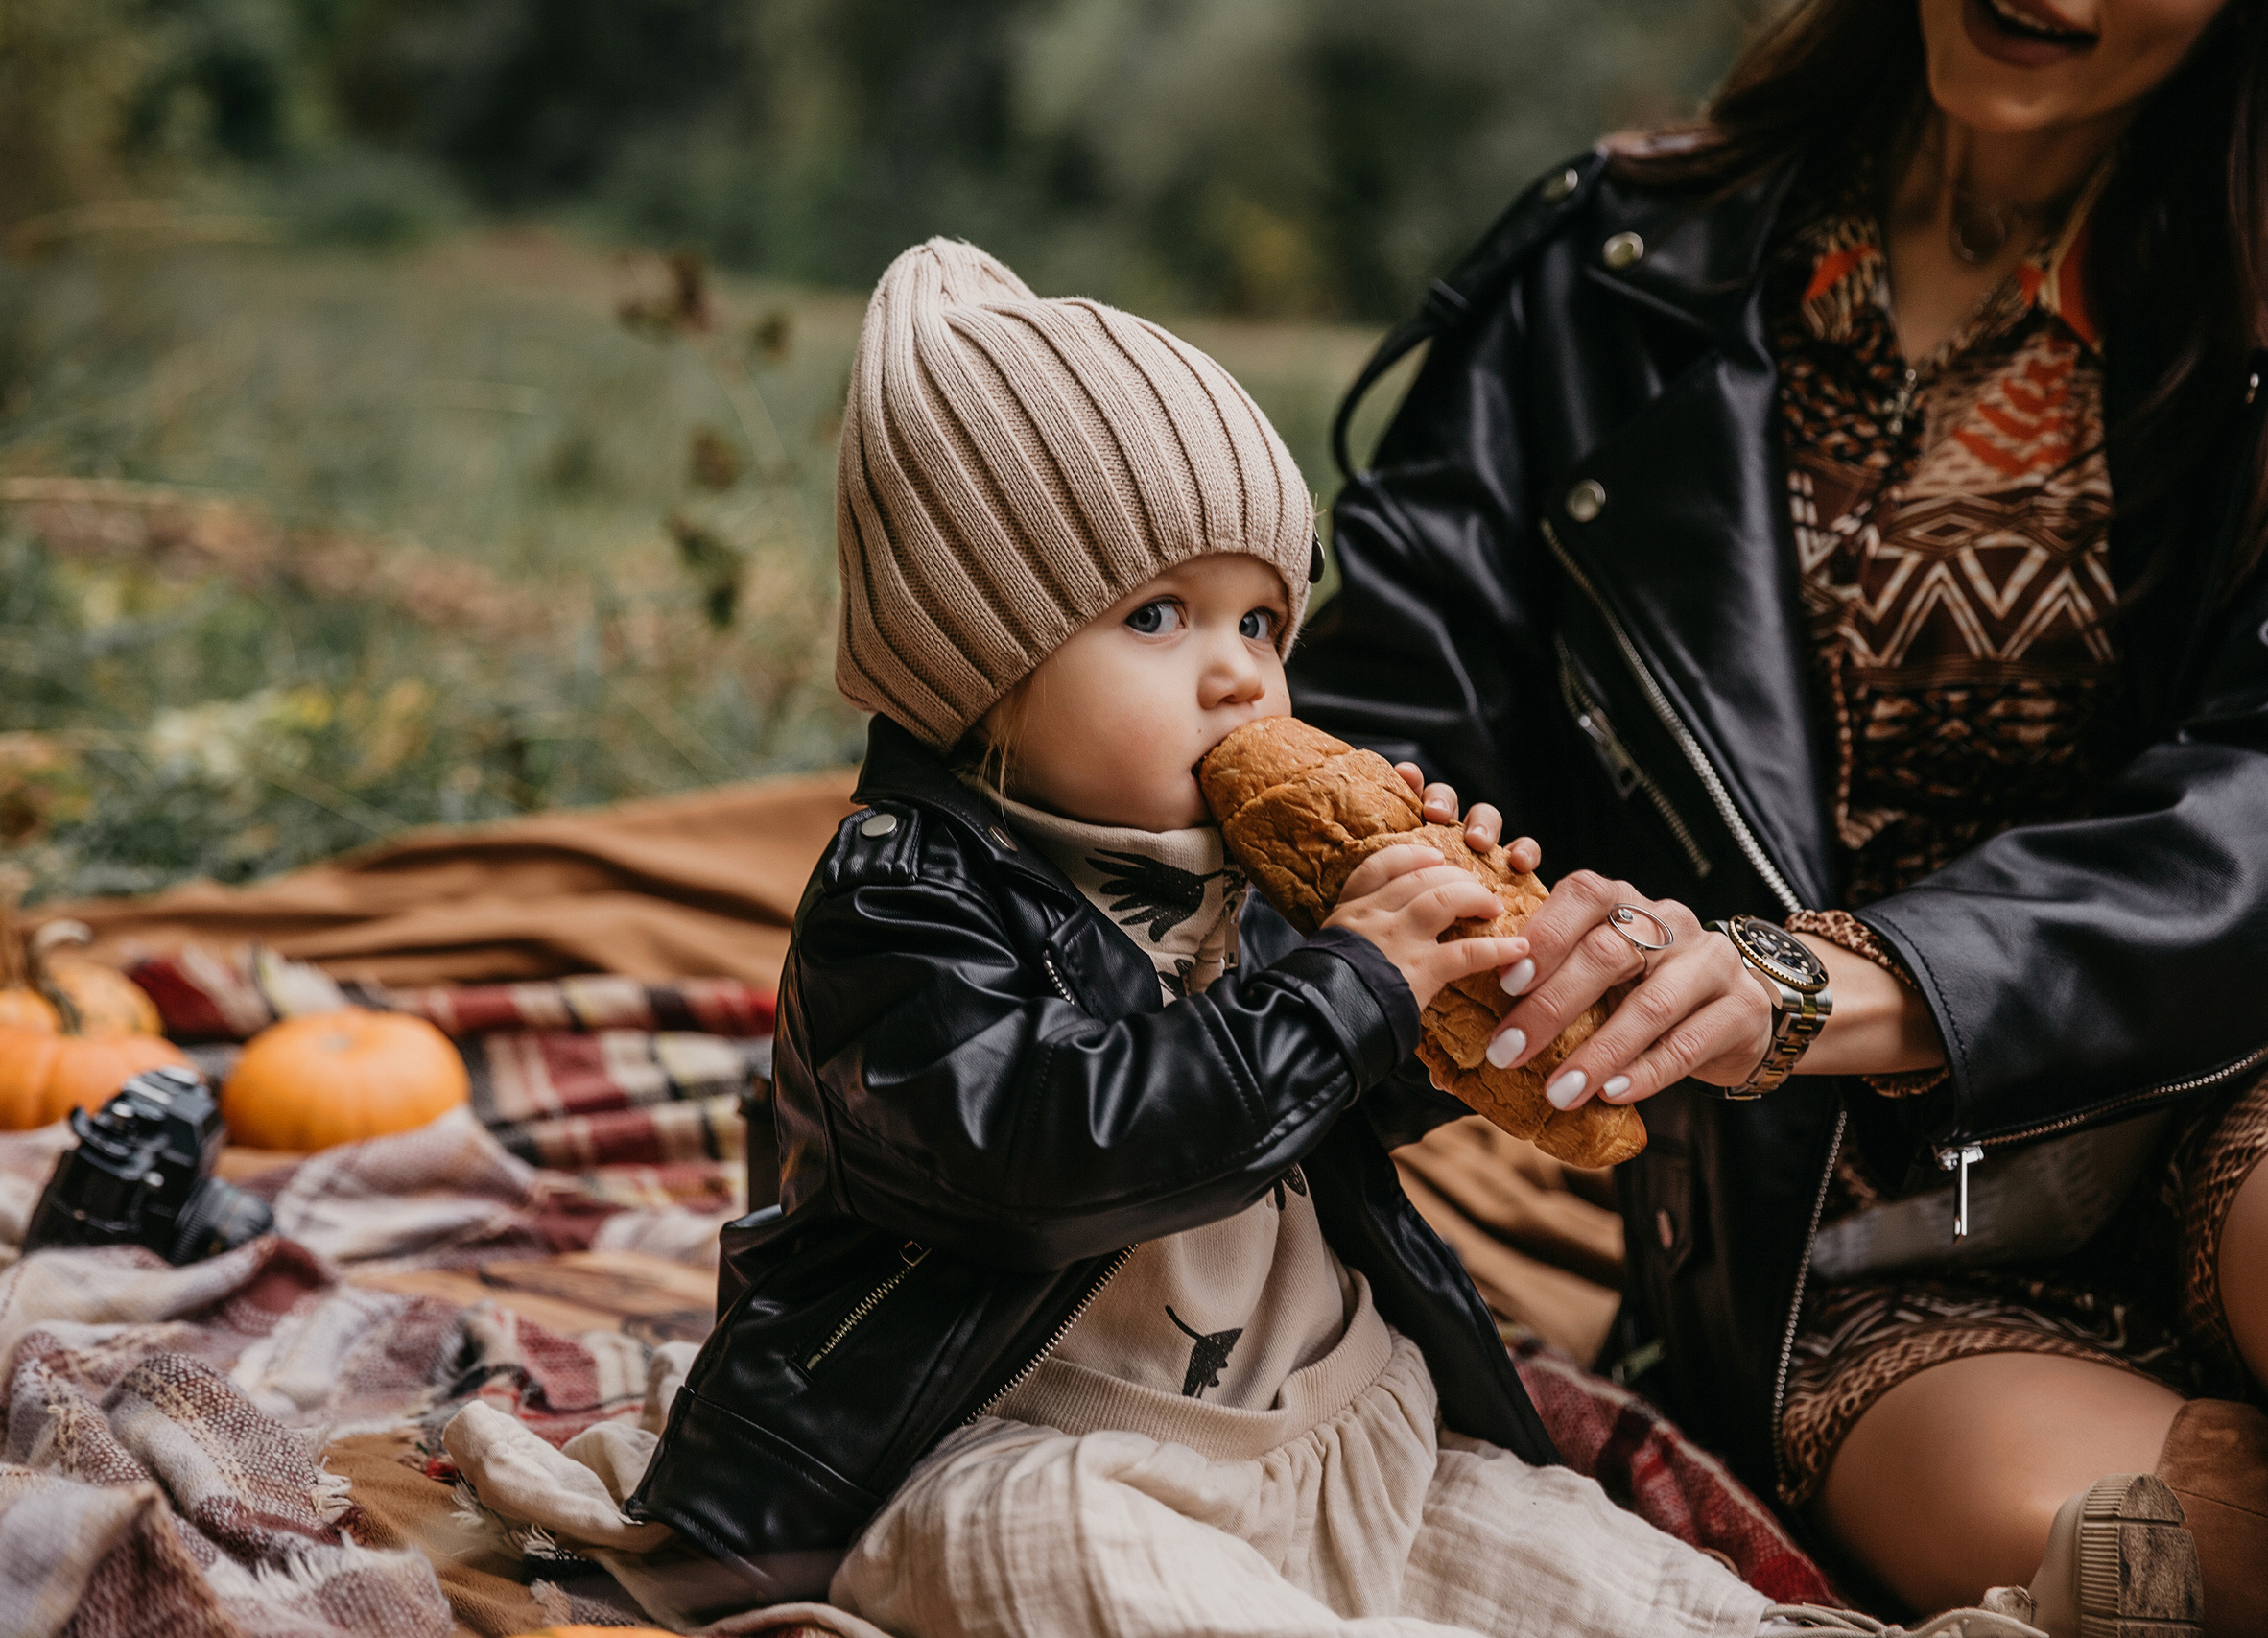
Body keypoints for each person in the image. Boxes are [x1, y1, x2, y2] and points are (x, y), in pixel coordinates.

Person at [618, 238, 2061, 1638]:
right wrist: (1349, 984)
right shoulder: (903, 905)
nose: (1241, 672)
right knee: (1033, 1559)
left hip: (1327, 1426)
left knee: (1572, 1559)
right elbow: (1042, 1152)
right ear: (978, 668)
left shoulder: (1262, 875)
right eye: (1162, 615)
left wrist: (1473, 994)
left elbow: (1329, 1099)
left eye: (1265, 620)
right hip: (1011, 1440)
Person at [1288, 0, 2268, 1629]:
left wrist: (1823, 978)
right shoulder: (1604, 273)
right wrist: (1499, 950)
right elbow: (1379, 753)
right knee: (2125, 1558)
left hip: (2225, 1059)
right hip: (1825, 1213)